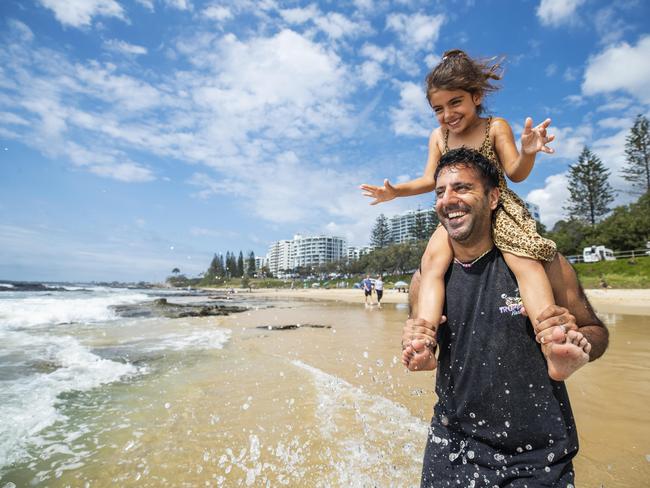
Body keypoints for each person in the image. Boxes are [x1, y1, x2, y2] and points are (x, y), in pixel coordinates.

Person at [401, 147, 608, 486]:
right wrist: (420, 351)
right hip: (451, 446)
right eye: (440, 192)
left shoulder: (544, 263)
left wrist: (581, 346)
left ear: (494, 196)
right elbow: (423, 336)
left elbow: (594, 330)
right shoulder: (425, 278)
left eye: (462, 188)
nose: (448, 199)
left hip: (537, 457)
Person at [361, 49, 560, 376]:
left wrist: (528, 152)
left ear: (476, 96)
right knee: (431, 263)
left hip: (495, 207)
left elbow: (515, 171)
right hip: (457, 216)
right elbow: (429, 179)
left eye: (456, 103)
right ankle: (424, 342)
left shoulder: (495, 127)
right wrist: (395, 191)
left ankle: (552, 341)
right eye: (438, 108)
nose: (448, 114)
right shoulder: (439, 137)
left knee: (524, 260)